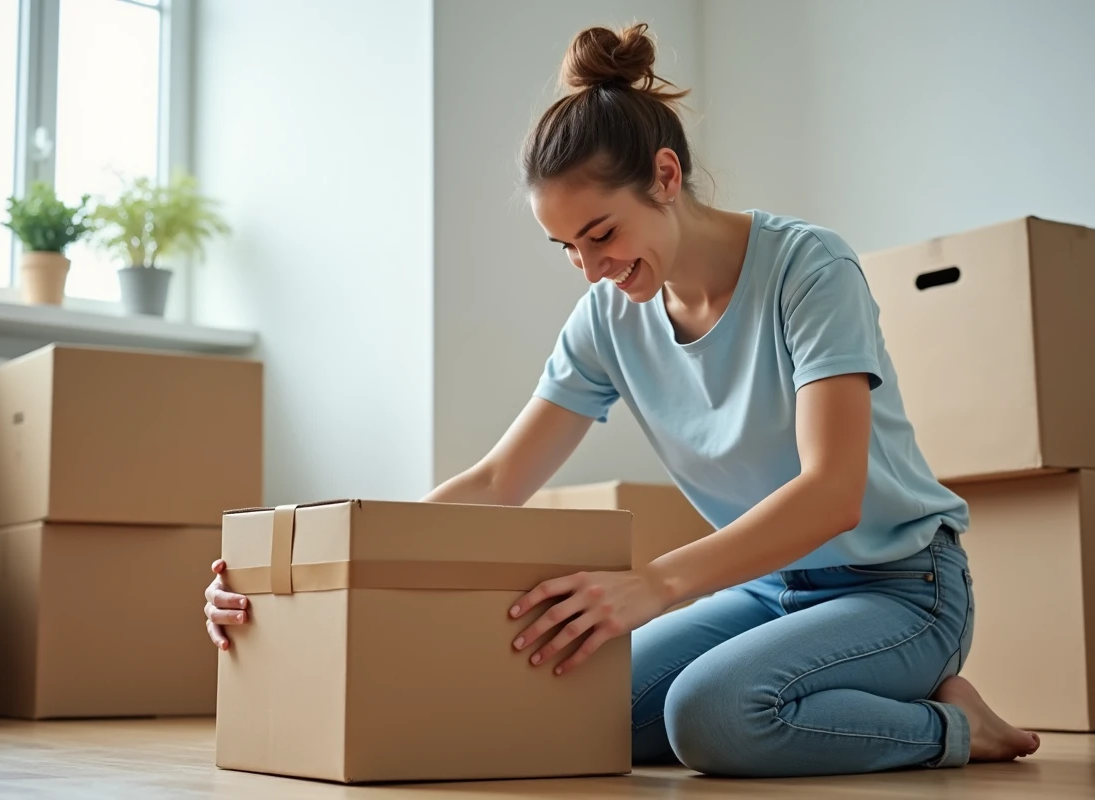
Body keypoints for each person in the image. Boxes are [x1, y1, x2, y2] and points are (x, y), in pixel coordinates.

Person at [203, 22, 1040, 778]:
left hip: (901, 585)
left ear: (666, 177)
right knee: (575, 699)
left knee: (712, 718)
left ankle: (955, 726)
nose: (591, 267)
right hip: (765, 590)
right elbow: (498, 483)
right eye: (566, 248)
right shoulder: (608, 318)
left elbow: (832, 492)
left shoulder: (808, 270)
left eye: (601, 234)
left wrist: (656, 585)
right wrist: (335, 581)